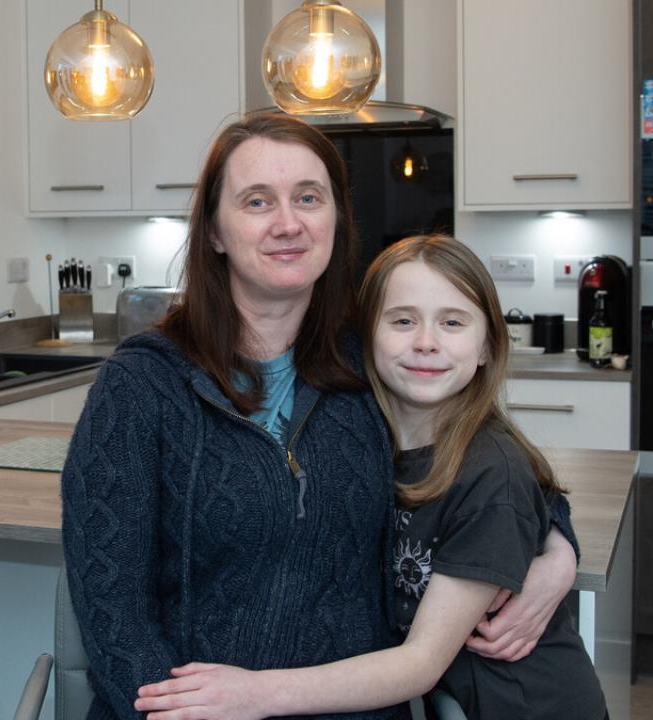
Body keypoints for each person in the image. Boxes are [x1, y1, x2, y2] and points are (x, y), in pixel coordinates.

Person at [59, 114, 580, 720]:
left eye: (309, 198)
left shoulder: (373, 360)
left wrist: (557, 553)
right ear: (215, 233)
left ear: (336, 220)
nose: (288, 223)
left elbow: (488, 464)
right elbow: (110, 606)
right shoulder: (142, 385)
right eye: (257, 201)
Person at [133, 235, 606, 719]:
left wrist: (253, 694)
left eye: (453, 322)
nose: (425, 341)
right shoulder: (362, 434)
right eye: (402, 320)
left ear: (487, 346)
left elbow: (420, 664)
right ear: (365, 340)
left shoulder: (492, 476)